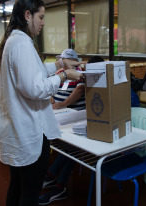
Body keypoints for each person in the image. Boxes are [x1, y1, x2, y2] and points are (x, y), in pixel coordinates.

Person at [0, 0, 84, 206]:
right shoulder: (23, 44)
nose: (43, 22)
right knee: (29, 194)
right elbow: (34, 88)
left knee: (17, 187)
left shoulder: (15, 41)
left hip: (19, 131)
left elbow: (33, 73)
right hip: (29, 133)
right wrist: (64, 76)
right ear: (28, 15)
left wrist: (59, 65)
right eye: (41, 17)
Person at [39, 56, 104, 205]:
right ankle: (52, 177)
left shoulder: (105, 83)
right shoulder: (86, 78)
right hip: (85, 121)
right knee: (70, 147)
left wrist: (62, 104)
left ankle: (58, 184)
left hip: (97, 126)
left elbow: (81, 89)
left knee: (73, 149)